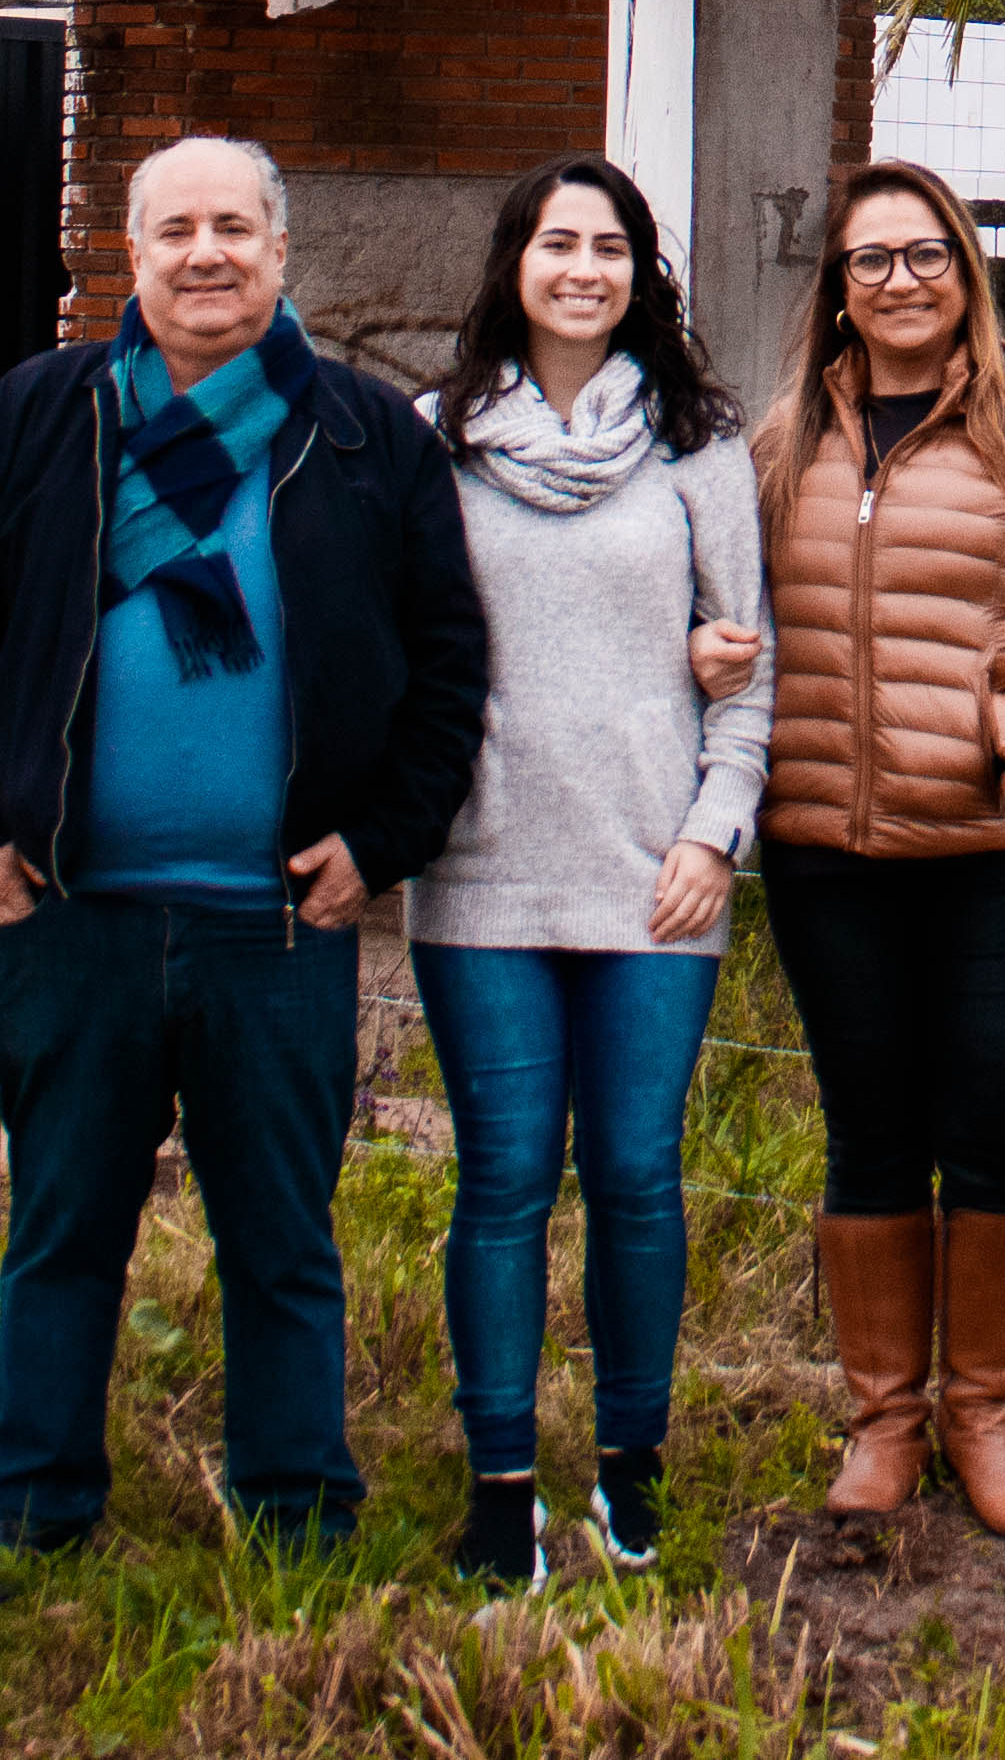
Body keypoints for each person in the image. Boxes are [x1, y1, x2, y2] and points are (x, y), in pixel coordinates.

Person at [0, 135, 488, 1595]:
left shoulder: (363, 438)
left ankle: (294, 1507)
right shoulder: (40, 419)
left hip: (280, 923)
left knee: (282, 1239)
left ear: (283, 254)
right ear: (133, 249)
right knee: (62, 1231)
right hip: (70, 914)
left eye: (236, 227)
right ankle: (36, 1507)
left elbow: (449, 668)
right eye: (178, 230)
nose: (208, 254)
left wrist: (383, 845)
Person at [753, 161, 1005, 1540]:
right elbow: (728, 610)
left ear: (965, 271)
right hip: (829, 849)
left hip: (1002, 852)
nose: (900, 281)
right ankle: (884, 1424)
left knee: (989, 1130)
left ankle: (983, 1418)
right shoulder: (785, 438)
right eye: (871, 262)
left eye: (925, 255)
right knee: (870, 1133)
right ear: (839, 293)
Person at [406, 154, 773, 1588]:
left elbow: (749, 664)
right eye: (557, 244)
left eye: (609, 247)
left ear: (641, 274)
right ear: (513, 264)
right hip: (486, 872)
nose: (582, 269)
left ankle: (631, 1472)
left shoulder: (701, 441)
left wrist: (714, 832)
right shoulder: (435, 439)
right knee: (500, 1181)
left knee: (633, 1176)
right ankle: (503, 1490)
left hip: (653, 879)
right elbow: (401, 642)